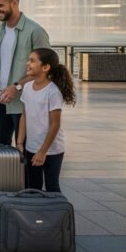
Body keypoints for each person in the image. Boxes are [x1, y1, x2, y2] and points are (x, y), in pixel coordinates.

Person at [0, 0, 51, 145]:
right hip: (0, 100)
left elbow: (46, 70)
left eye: (0, 5)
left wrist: (16, 87)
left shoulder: (36, 31)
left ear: (14, 3)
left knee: (26, 150)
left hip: (25, 104)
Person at [17, 48, 75, 192]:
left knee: (52, 187)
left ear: (45, 67)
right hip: (31, 147)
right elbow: (24, 115)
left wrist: (43, 151)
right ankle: (37, 214)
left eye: (32, 61)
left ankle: (58, 214)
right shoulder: (27, 87)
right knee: (33, 186)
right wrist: (19, 141)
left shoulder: (52, 91)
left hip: (52, 151)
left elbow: (55, 124)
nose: (27, 63)